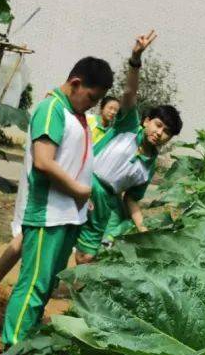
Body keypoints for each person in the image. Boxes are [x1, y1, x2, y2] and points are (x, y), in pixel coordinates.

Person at [0, 55, 113, 355]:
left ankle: (24, 347)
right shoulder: (51, 109)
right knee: (33, 285)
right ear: (76, 84)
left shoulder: (75, 114)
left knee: (45, 286)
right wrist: (78, 190)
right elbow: (44, 162)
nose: (92, 106)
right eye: (91, 97)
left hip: (67, 216)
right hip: (48, 214)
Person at [74, 30, 184, 262]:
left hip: (105, 201)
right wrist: (135, 60)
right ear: (146, 121)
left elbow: (131, 198)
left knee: (87, 255)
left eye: (166, 132)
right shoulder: (127, 126)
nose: (159, 133)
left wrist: (143, 228)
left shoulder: (149, 166)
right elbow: (129, 92)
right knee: (59, 235)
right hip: (80, 181)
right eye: (158, 125)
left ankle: (71, 292)